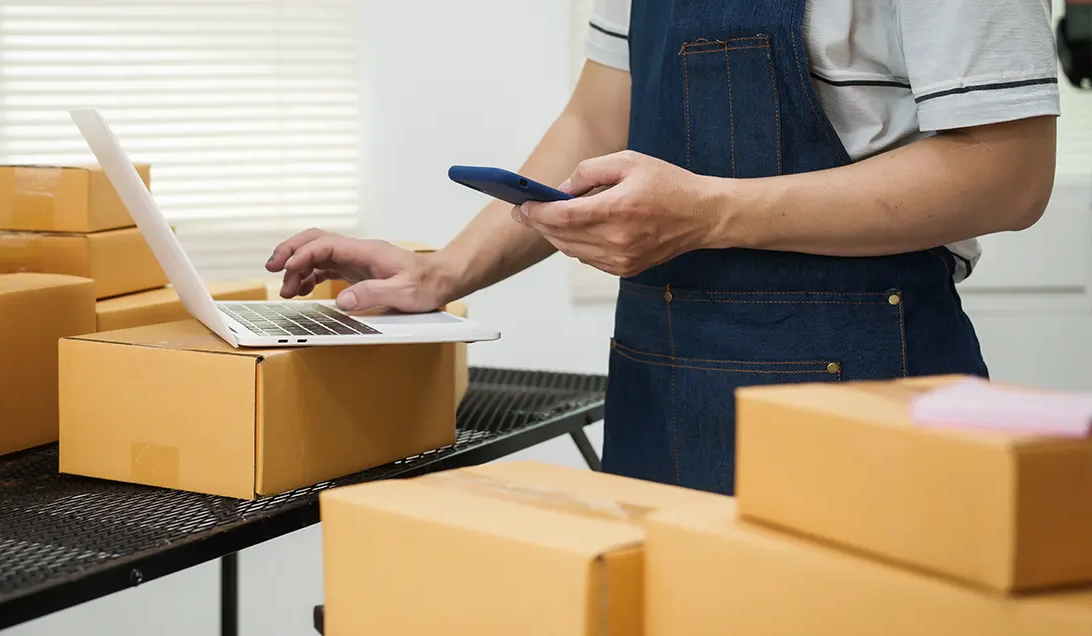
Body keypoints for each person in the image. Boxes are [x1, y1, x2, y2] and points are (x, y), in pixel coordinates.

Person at [266, 0, 1061, 495]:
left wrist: (712, 213)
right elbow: (593, 123)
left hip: (867, 386)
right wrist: (442, 270)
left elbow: (1008, 173)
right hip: (660, 392)